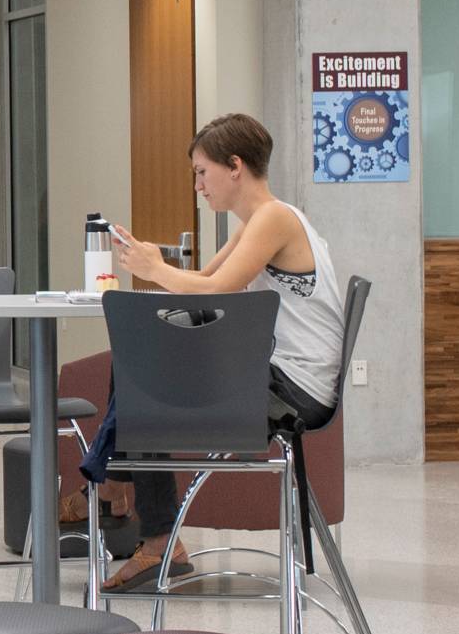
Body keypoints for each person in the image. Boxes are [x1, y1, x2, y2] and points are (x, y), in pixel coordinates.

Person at [78, 113, 349, 592]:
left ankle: (123, 498)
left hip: (293, 391)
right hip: (277, 377)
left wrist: (155, 269)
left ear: (235, 167)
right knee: (140, 354)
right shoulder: (256, 221)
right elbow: (203, 282)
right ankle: (123, 494)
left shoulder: (274, 219)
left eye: (202, 172)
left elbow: (217, 293)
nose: (199, 185)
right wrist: (156, 266)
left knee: (140, 363)